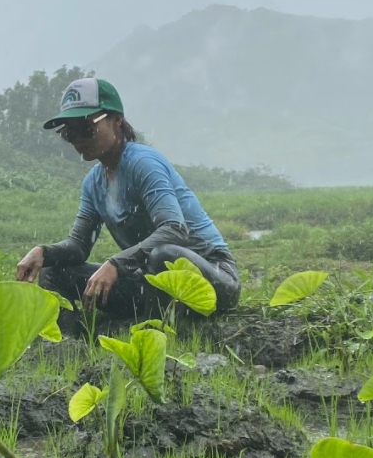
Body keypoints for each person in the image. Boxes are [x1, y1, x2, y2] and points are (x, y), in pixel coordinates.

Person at [15, 77, 240, 316]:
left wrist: (116, 263)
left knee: (164, 254)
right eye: (69, 133)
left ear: (116, 120)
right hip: (151, 283)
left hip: (211, 277)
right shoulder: (93, 182)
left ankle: (160, 333)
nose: (79, 140)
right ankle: (76, 335)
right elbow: (79, 246)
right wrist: (43, 252)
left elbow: (175, 229)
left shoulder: (142, 163)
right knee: (53, 270)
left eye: (85, 128)